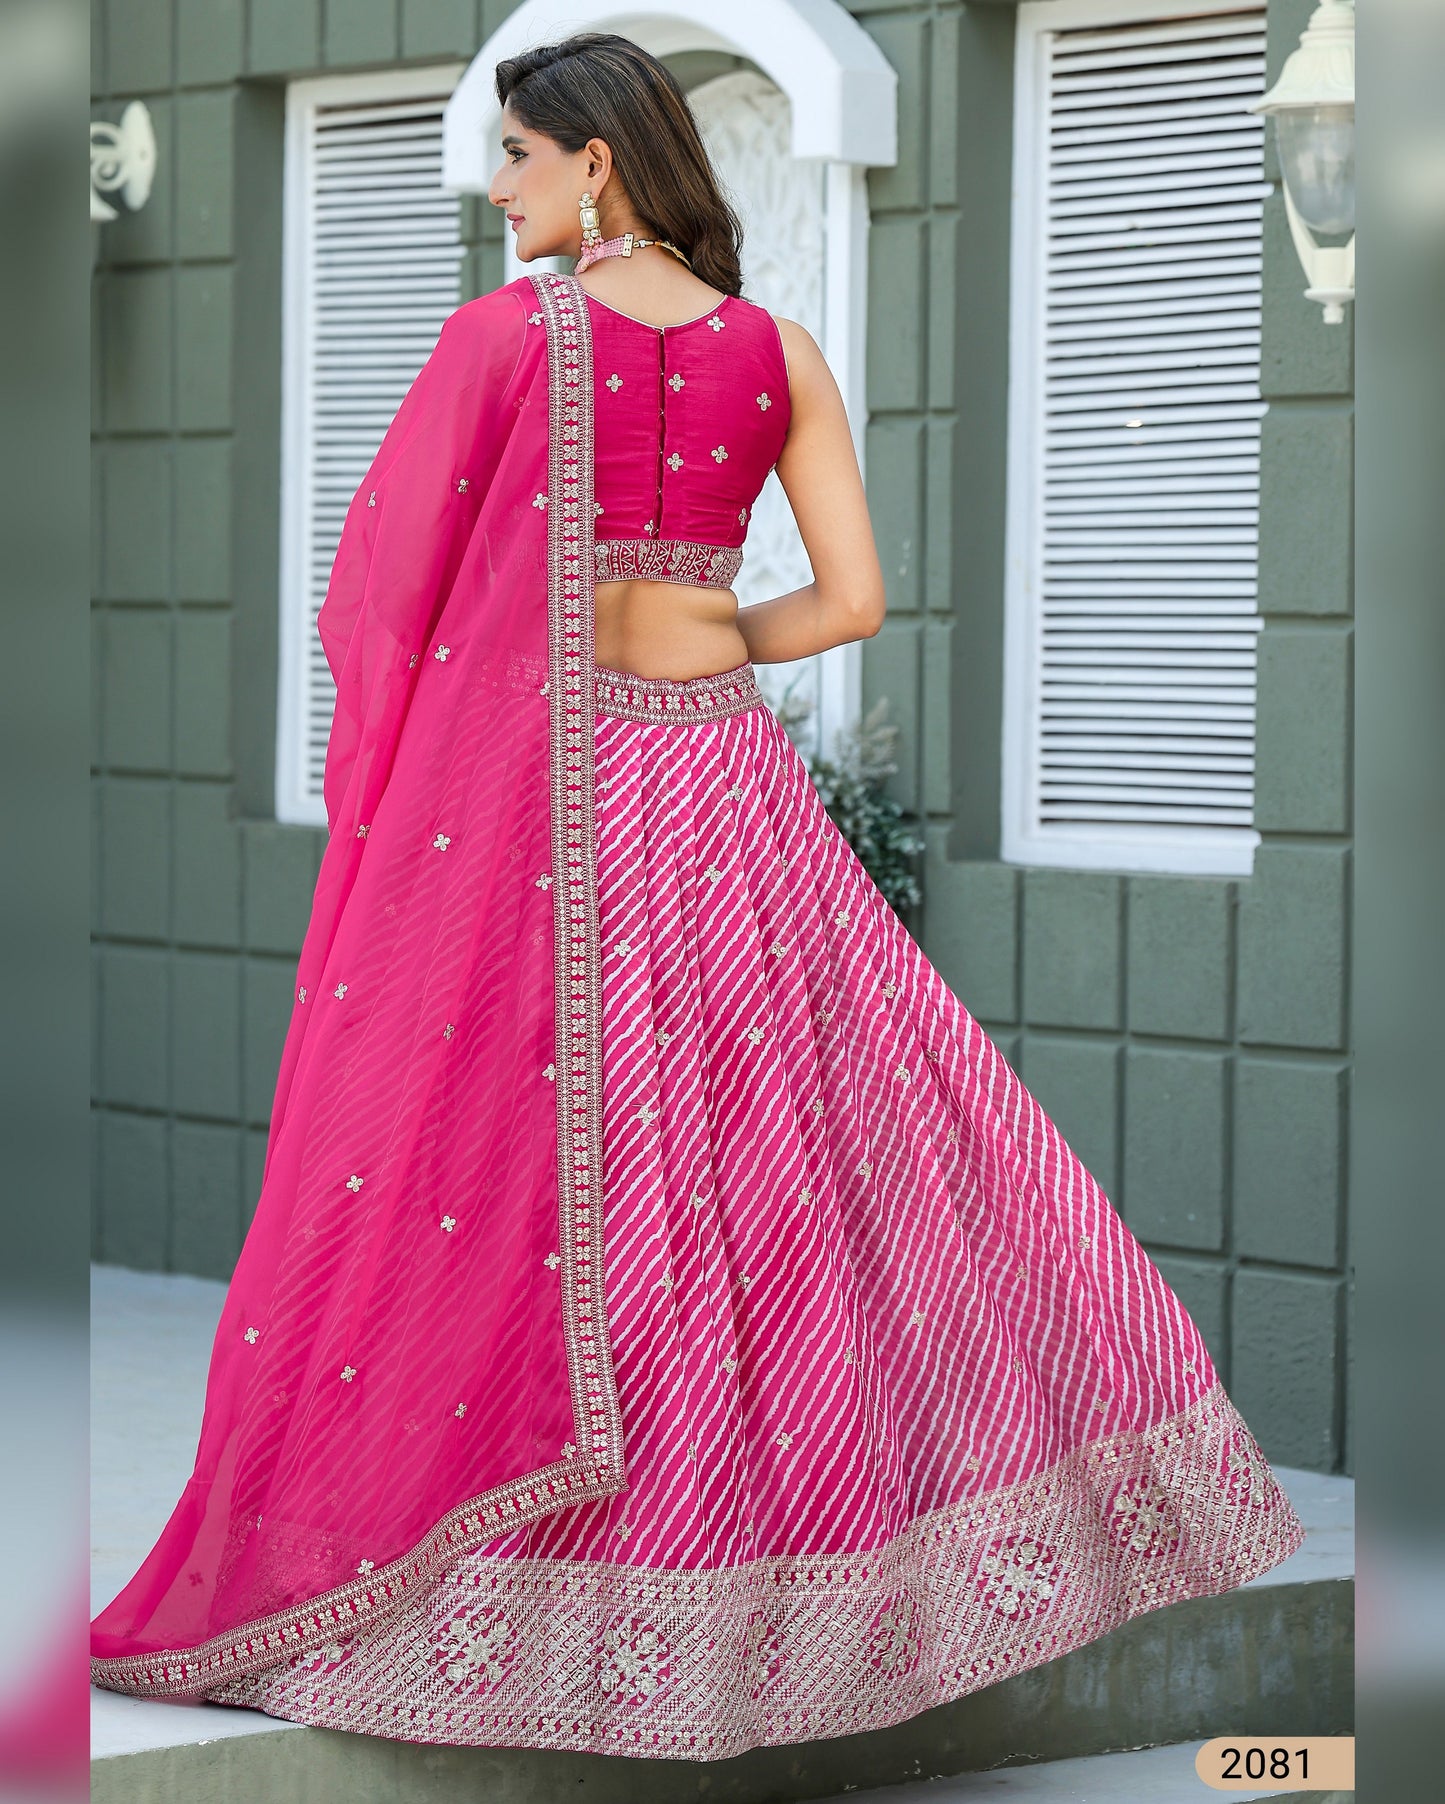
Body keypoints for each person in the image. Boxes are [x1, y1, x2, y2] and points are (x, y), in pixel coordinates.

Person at [90, 31, 1305, 1761]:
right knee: (776, 1159)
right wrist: (701, 631)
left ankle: (538, 1568)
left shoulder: (508, 340)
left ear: (596, 166)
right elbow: (854, 599)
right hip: (726, 784)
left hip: (554, 804)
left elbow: (383, 599)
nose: (490, 184)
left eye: (515, 154)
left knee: (530, 1159)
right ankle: (788, 1590)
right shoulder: (773, 349)